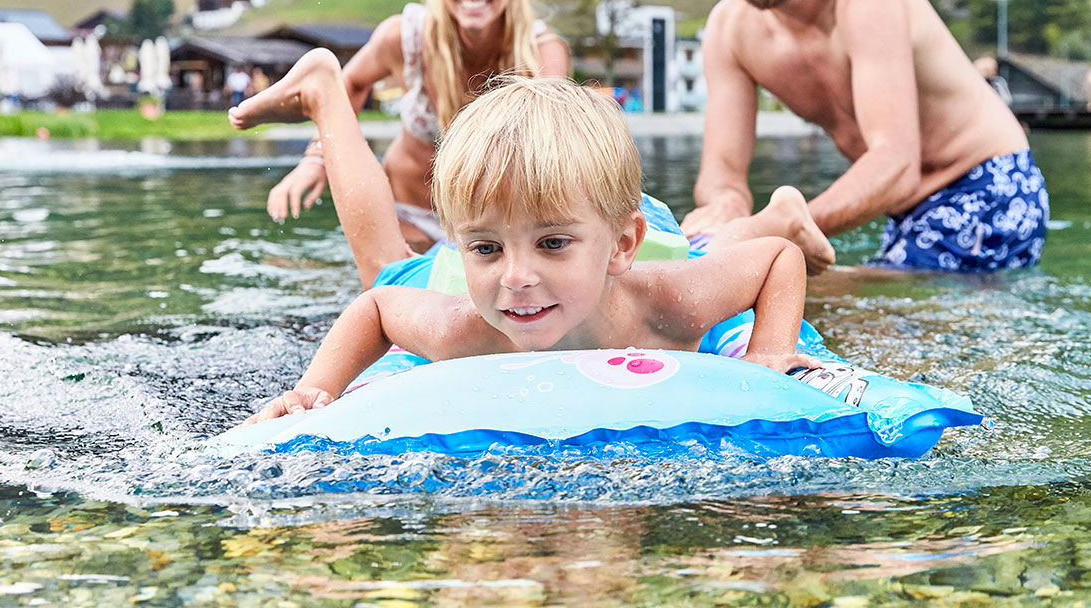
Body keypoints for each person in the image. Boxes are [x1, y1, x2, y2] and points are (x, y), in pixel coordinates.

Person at [230, 49, 818, 423]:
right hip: (558, 221)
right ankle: (325, 92)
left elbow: (776, 262)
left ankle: (779, 210)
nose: (515, 278)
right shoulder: (465, 326)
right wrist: (314, 391)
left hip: (643, 228)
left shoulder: (667, 303)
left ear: (621, 246)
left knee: (704, 242)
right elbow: (379, 306)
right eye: (485, 249)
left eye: (550, 245)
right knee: (386, 269)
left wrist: (768, 356)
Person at [677, 0, 1048, 274]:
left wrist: (777, 230)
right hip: (907, 213)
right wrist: (725, 209)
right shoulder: (727, 31)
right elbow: (722, 169)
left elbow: (896, 163)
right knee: (754, 293)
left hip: (991, 185)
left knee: (792, 300)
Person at [242, 0, 570, 250]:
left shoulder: (541, 55)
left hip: (499, 235)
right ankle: (318, 82)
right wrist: (317, 158)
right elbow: (350, 84)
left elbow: (550, 158)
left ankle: (316, 77)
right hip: (407, 219)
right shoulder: (406, 38)